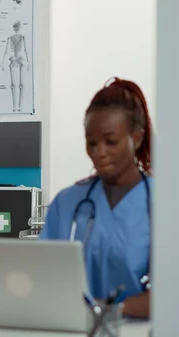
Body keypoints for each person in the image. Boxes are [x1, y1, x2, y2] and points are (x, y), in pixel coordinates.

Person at [39, 77, 152, 318]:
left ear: (137, 138)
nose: (99, 152)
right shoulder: (67, 203)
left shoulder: (163, 204)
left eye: (111, 142)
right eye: (91, 143)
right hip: (73, 329)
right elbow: (44, 278)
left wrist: (110, 310)